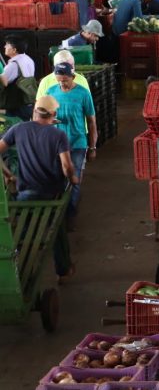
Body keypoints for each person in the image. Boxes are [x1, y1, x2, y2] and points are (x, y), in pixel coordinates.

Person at [0, 95, 79, 281]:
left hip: (25, 194)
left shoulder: (18, 129)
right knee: (57, 230)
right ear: (53, 114)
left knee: (25, 233)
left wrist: (7, 174)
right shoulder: (58, 135)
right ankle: (63, 269)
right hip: (52, 194)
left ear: (35, 112)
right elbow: (67, 166)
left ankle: (22, 271)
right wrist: (73, 178)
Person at [46, 62, 96, 225]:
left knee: (74, 180)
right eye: (59, 80)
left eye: (65, 80)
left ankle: (70, 215)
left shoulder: (83, 94)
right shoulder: (51, 92)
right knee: (58, 179)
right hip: (56, 144)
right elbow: (44, 115)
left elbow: (91, 121)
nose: (62, 84)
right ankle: (59, 214)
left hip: (77, 143)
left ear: (73, 77)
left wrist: (93, 146)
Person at [0, 35, 37, 120]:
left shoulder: (13, 65)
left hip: (17, 105)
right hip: (29, 101)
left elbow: (3, 82)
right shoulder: (28, 59)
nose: (4, 46)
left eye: (7, 45)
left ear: (14, 50)